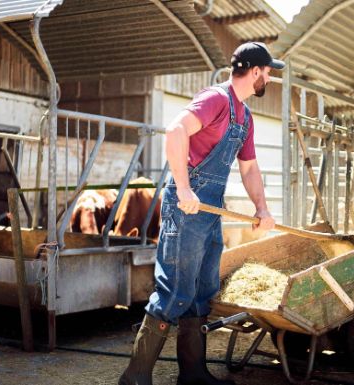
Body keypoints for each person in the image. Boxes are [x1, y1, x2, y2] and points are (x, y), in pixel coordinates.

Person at [119, 42, 282, 385]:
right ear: (255, 72)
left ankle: (192, 375)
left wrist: (262, 208)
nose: (269, 76)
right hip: (187, 207)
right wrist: (183, 188)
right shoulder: (216, 99)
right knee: (174, 291)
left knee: (201, 293)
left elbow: (249, 168)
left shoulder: (245, 116)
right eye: (268, 71)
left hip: (209, 211)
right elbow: (176, 130)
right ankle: (135, 377)